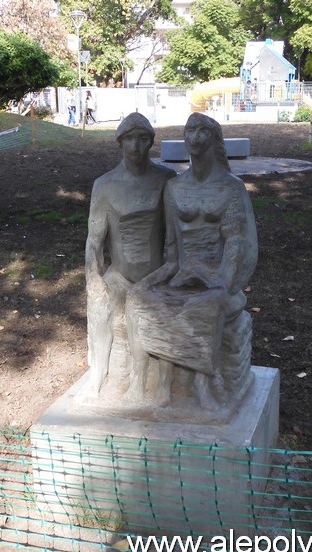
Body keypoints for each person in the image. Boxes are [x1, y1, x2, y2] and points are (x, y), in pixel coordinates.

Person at [125, 113, 258, 409]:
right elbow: (172, 253)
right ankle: (157, 385)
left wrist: (221, 282)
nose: (194, 138)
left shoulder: (231, 188)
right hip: (182, 277)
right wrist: (146, 283)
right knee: (138, 299)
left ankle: (204, 386)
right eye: (189, 131)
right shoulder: (175, 188)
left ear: (214, 139)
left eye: (202, 131)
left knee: (204, 306)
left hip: (219, 278)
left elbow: (236, 245)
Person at [85, 113, 176, 399]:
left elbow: (175, 237)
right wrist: (93, 277)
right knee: (99, 307)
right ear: (119, 143)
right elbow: (94, 240)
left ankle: (163, 384)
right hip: (120, 275)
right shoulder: (105, 184)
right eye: (129, 139)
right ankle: (98, 373)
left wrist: (171, 273)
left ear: (151, 143)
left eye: (143, 139)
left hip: (157, 275)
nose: (136, 146)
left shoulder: (166, 179)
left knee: (163, 313)